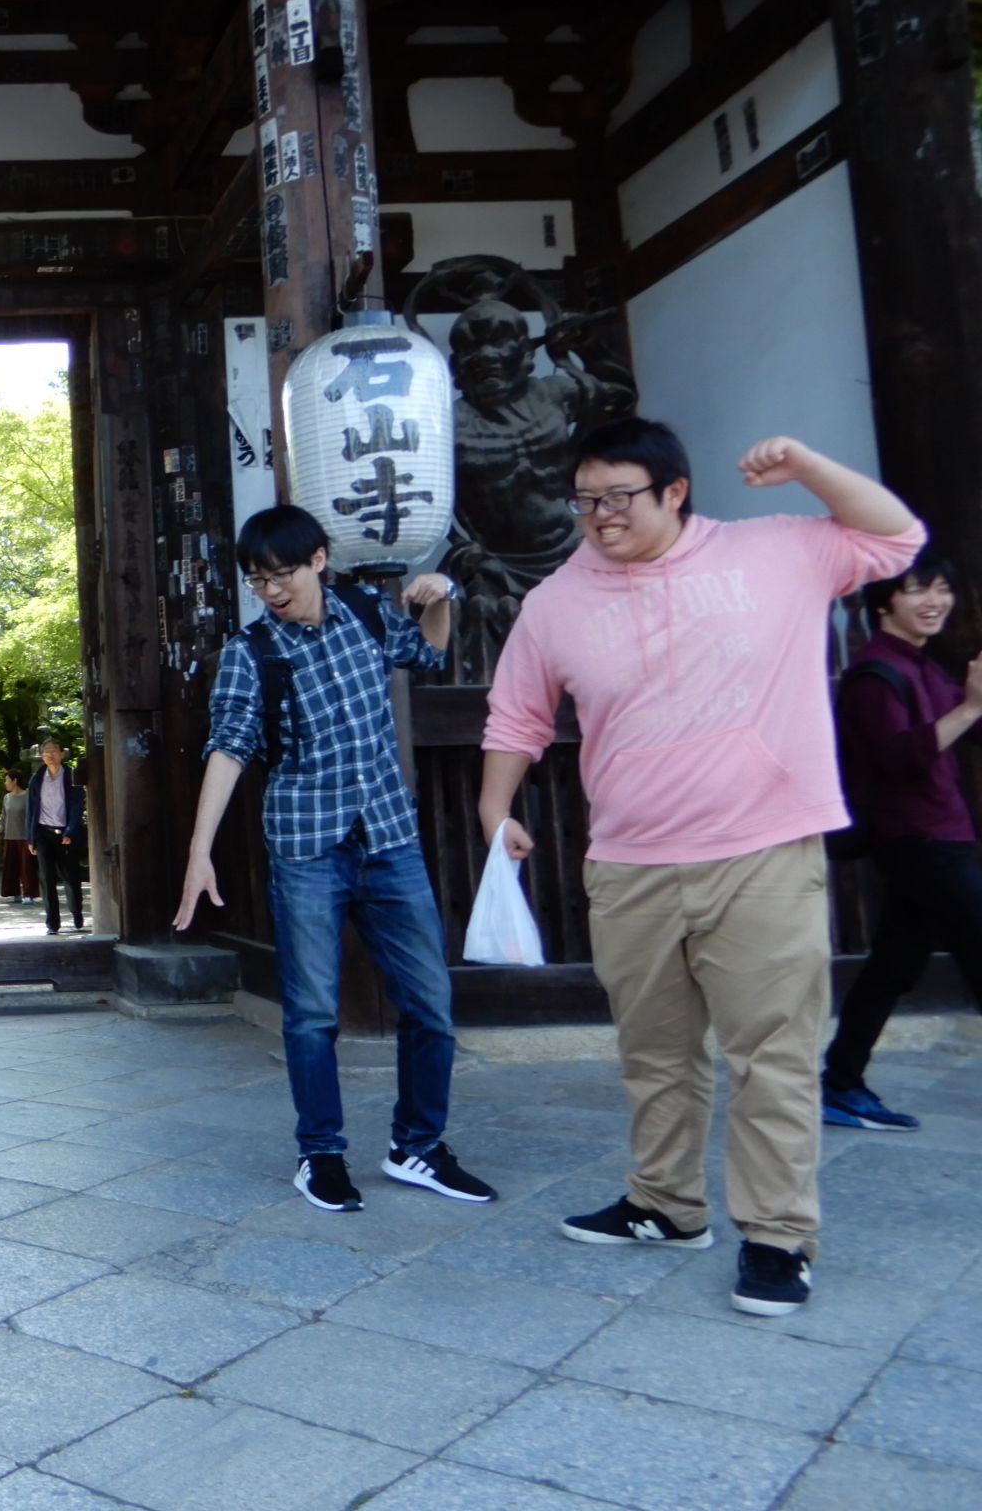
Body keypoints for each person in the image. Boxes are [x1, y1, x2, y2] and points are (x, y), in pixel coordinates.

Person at [480, 421, 923, 1317]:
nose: (598, 517)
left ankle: (777, 1236)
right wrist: (496, 810)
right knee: (656, 1055)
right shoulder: (559, 599)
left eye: (619, 498)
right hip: (631, 862)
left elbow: (895, 537)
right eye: (586, 500)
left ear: (674, 491)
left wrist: (804, 465)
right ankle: (667, 1204)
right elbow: (516, 714)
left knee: (773, 1056)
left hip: (761, 851)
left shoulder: (778, 552)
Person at [175, 505, 490, 1216]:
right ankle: (319, 1154)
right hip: (306, 847)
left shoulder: (367, 613)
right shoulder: (250, 653)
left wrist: (440, 599)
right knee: (313, 1014)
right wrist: (200, 852)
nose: (270, 591)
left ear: (318, 559)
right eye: (257, 580)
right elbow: (229, 747)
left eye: (280, 574)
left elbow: (428, 654)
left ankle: (417, 1146)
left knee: (430, 1004)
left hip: (388, 837)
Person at [820, 549, 982, 1130]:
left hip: (940, 835)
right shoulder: (873, 674)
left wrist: (971, 707)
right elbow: (898, 757)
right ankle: (839, 1082)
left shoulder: (923, 664)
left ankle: (841, 1081)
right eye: (918, 589)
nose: (935, 600)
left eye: (942, 588)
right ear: (885, 599)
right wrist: (968, 709)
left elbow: (969, 726)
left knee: (892, 966)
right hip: (918, 840)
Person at [28, 738, 84, 934]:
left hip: (65, 833)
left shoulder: (71, 775)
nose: (49, 755)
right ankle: (52, 922)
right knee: (47, 878)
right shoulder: (36, 778)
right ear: (42, 756)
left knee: (71, 877)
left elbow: (78, 805)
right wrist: (31, 838)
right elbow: (31, 810)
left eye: (53, 751)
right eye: (45, 752)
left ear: (61, 753)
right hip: (43, 833)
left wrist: (71, 831)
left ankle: (77, 912)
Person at [0, 771, 38, 905]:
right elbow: (4, 817)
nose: (5, 783)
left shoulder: (28, 796)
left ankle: (28, 893)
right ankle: (14, 892)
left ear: (15, 781)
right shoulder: (7, 797)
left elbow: (33, 816)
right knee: (11, 865)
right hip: (10, 836)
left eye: (7, 780)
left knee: (26, 866)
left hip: (25, 837)